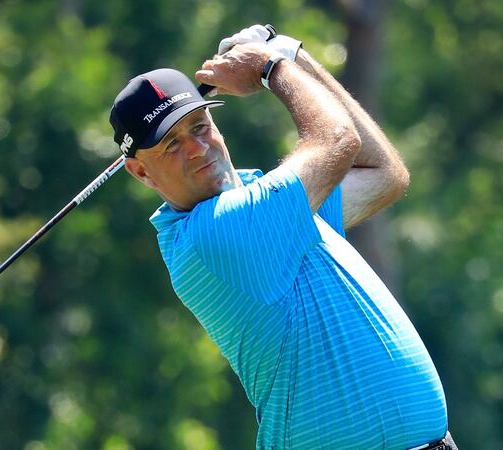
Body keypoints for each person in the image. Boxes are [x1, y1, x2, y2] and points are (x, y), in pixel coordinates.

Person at [109, 25, 456, 450]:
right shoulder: (214, 235)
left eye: (199, 126)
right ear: (140, 171)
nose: (197, 149)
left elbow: (383, 175)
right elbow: (337, 140)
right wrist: (271, 68)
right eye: (171, 145)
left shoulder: (269, 207)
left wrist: (291, 54)